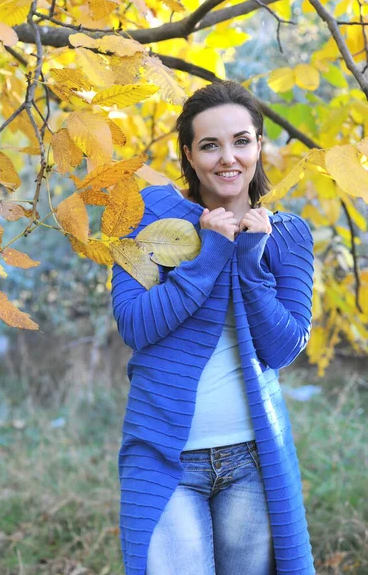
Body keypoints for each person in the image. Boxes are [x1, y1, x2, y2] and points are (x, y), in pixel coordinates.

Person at [111, 81, 315, 575]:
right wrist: (211, 254)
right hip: (166, 457)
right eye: (210, 144)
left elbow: (284, 346)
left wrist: (249, 259)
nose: (228, 158)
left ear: (259, 146)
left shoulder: (285, 234)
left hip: (253, 459)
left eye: (241, 141)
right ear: (189, 154)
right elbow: (135, 325)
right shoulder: (150, 216)